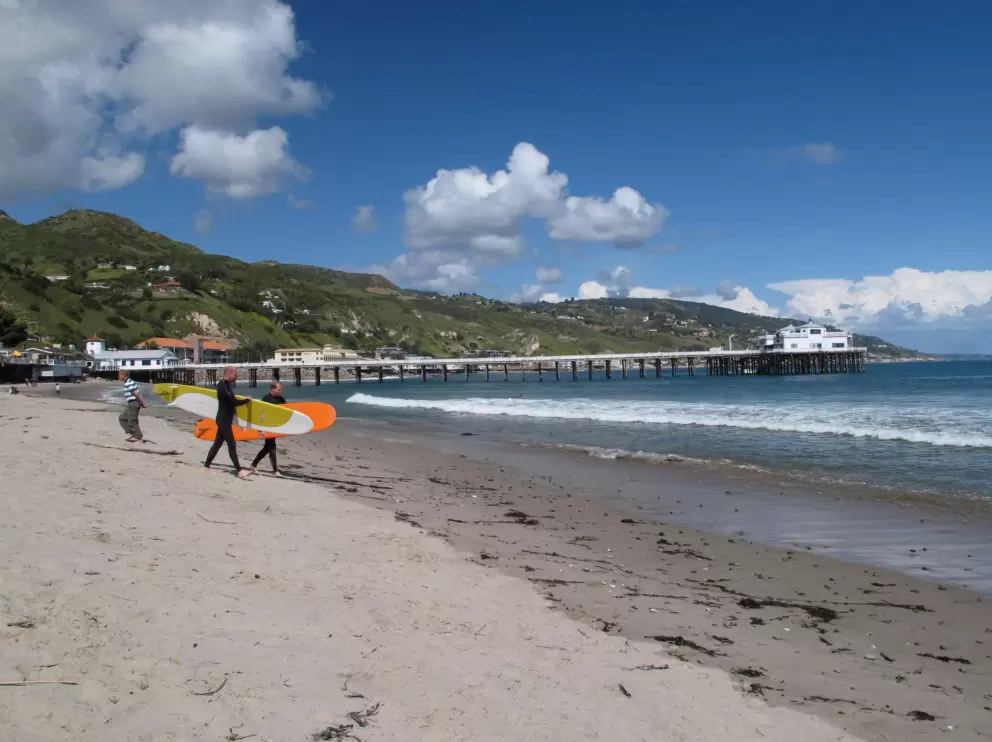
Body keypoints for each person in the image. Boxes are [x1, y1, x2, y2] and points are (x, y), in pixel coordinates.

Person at [204, 366, 252, 478]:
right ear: (229, 373)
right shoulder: (222, 386)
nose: (236, 377)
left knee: (217, 444)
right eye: (235, 375)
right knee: (232, 444)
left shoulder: (228, 385)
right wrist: (246, 400)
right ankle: (239, 471)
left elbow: (232, 402)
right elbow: (233, 402)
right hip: (223, 420)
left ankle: (206, 467)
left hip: (225, 420)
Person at [251, 381, 286, 476]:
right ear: (273, 389)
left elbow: (285, 414)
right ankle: (275, 470)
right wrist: (260, 430)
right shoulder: (266, 399)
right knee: (272, 447)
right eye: (279, 390)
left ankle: (254, 464)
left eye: (281, 390)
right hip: (267, 427)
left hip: (276, 427)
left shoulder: (281, 399)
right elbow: (260, 415)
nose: (280, 392)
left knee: (267, 448)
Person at [118, 370, 148, 443]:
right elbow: (138, 393)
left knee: (132, 420)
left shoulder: (129, 382)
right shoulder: (127, 382)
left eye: (119, 375)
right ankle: (131, 433)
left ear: (123, 375)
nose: (118, 376)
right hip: (131, 403)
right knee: (122, 418)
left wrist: (143, 403)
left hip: (134, 403)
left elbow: (135, 394)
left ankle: (140, 438)